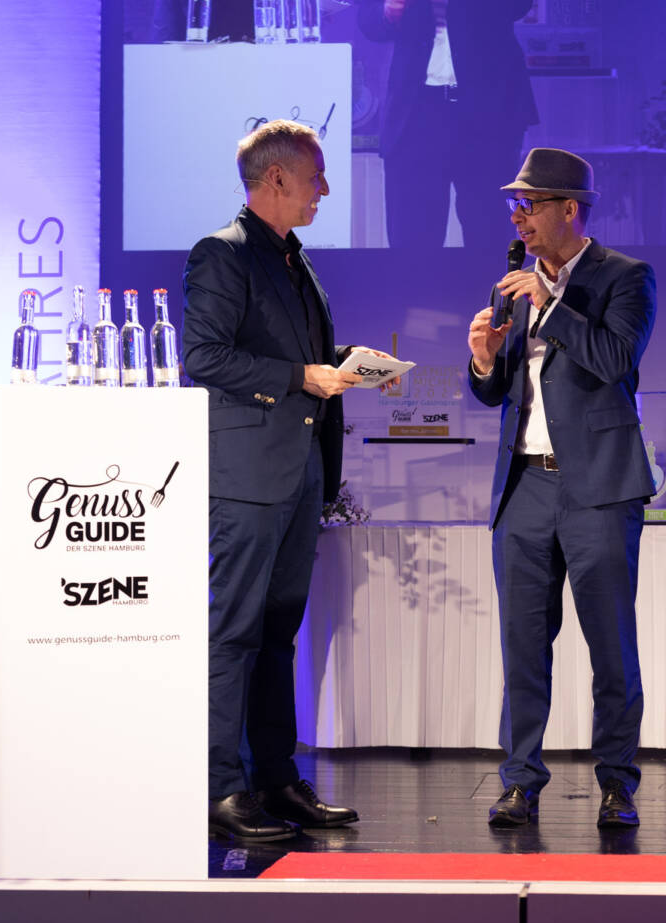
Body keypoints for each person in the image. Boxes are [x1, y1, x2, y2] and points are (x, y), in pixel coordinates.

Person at [183, 119, 395, 841]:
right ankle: (219, 787)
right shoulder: (224, 253)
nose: (324, 190)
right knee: (234, 633)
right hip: (246, 478)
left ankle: (275, 779)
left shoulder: (292, 259)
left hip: (299, 472)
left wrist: (346, 362)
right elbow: (205, 357)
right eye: (315, 177)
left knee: (278, 636)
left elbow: (292, 354)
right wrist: (298, 374)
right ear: (276, 178)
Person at [465, 148, 657, 828]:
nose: (518, 215)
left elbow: (613, 359)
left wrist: (554, 302)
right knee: (522, 643)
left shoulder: (624, 278)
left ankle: (616, 782)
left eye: (530, 203)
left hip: (600, 487)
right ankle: (519, 779)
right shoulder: (511, 285)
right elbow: (499, 391)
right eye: (513, 203)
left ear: (569, 209)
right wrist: (484, 362)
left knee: (611, 644)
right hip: (524, 487)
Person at [357, 0, 539, 249]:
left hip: (488, 111)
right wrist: (387, 12)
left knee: (489, 233)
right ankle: (418, 288)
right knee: (412, 240)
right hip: (416, 112)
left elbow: (517, 5)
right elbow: (368, 18)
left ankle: (487, 288)